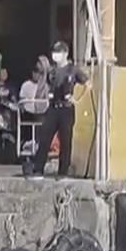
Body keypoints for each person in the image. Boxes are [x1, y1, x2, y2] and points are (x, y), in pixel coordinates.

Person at [28, 41, 88, 178]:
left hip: (66, 108)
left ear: (65, 54)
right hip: (53, 107)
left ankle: (63, 172)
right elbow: (48, 86)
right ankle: (38, 169)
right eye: (54, 52)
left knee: (65, 140)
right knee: (44, 137)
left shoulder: (73, 69)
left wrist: (77, 99)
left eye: (59, 52)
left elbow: (87, 84)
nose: (55, 55)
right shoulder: (52, 71)